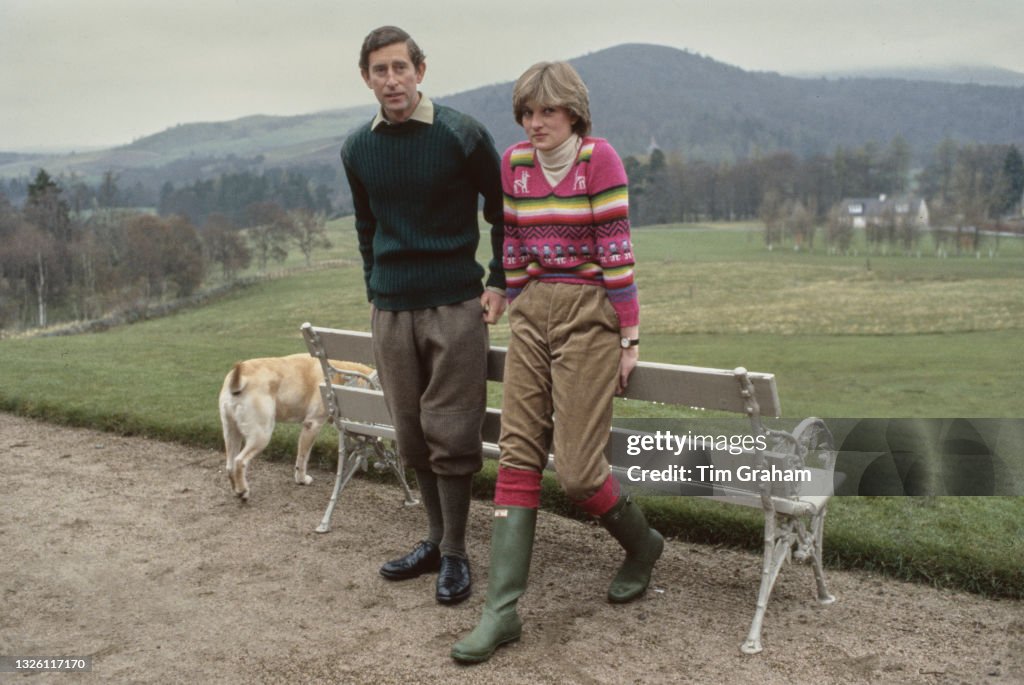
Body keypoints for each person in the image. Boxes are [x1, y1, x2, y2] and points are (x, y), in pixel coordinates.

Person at [451, 61, 663, 663]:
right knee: (517, 453)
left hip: (590, 312)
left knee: (576, 472)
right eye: (526, 112)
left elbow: (617, 253)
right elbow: (512, 243)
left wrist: (629, 336)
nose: (534, 122)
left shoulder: (601, 161)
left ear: (573, 111)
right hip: (533, 311)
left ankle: (643, 544)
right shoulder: (515, 163)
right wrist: (518, 304)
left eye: (547, 111)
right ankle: (501, 612)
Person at [340, 26, 506, 606]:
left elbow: (503, 206)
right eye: (379, 70)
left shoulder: (461, 134)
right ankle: (434, 540)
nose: (391, 80)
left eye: (400, 68)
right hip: (391, 309)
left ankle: (458, 553)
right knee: (411, 433)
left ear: (420, 70)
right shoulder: (357, 149)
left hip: (455, 305)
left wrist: (501, 280)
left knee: (453, 431)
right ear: (366, 77)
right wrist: (373, 286)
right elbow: (367, 228)